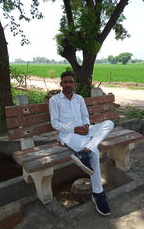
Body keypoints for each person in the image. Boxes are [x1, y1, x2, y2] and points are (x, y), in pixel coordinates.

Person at [49, 71, 114, 216]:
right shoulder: (54, 100)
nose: (68, 84)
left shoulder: (79, 99)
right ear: (61, 84)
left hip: (84, 131)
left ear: (74, 84)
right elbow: (54, 123)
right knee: (95, 153)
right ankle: (98, 193)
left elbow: (85, 116)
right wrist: (74, 128)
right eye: (65, 82)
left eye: (70, 82)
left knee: (109, 123)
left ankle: (85, 151)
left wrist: (85, 126)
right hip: (68, 134)